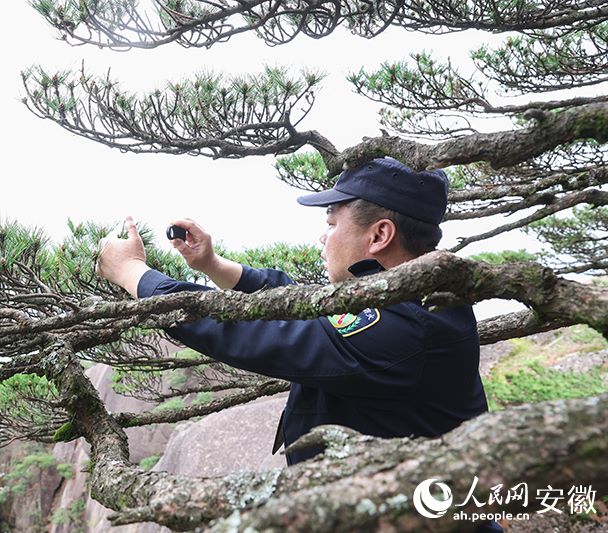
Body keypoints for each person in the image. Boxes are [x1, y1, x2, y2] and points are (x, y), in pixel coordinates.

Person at [97, 157, 501, 530]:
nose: (323, 238)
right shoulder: (409, 297)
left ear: (380, 235)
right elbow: (297, 301)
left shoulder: (406, 324)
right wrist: (212, 265)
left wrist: (133, 272)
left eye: (332, 223)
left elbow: (255, 335)